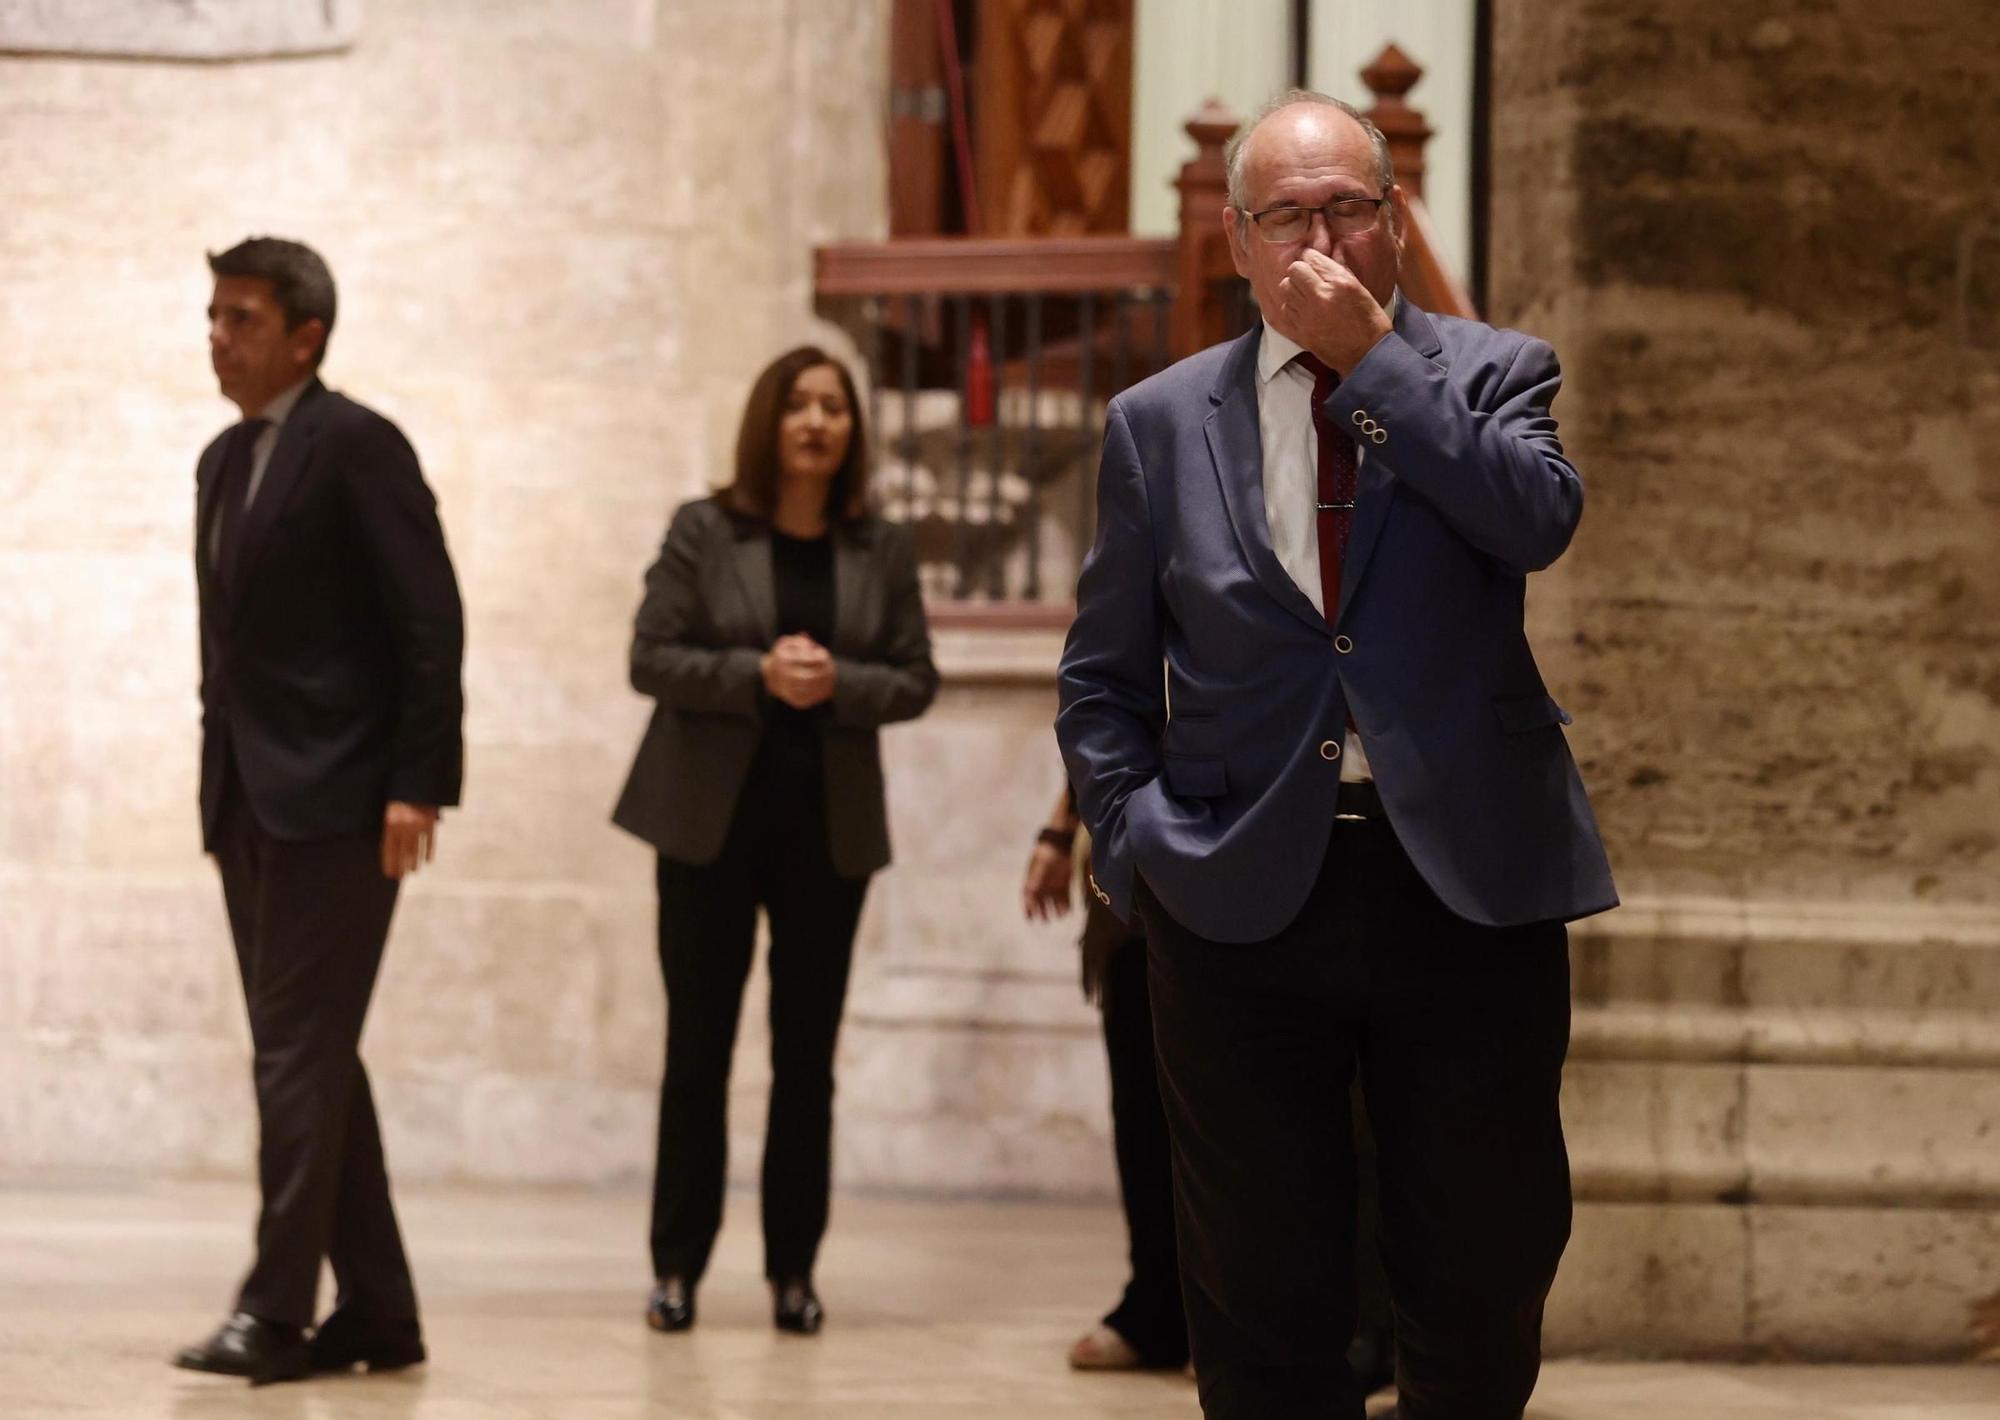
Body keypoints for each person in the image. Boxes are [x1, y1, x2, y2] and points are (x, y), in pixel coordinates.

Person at [1055, 91, 1617, 1420]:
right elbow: (1104, 677)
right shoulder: (1158, 420)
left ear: (1397, 223)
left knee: (1481, 1276)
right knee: (1260, 1298)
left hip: (1468, 883)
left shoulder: (1493, 372)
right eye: (1290, 215)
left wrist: (1377, 366)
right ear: (1241, 241)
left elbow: (1535, 521)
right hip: (1240, 894)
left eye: (1353, 208)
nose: (1327, 238)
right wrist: (1137, 843)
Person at [175, 238, 463, 1386]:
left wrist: (417, 780)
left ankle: (276, 1311)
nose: (217, 336)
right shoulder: (220, 459)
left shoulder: (358, 446)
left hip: (346, 799)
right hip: (247, 794)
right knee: (313, 1056)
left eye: (240, 318)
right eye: (211, 315)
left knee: (294, 1058)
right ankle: (381, 1313)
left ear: (306, 335)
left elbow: (428, 622)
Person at [612, 346, 938, 1338]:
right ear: (769, 421)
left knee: (807, 1062)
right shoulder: (703, 529)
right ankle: (676, 1268)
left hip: (824, 840)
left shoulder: (879, 545)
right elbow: (650, 657)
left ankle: (793, 1273)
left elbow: (915, 678)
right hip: (705, 834)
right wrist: (757, 671)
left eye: (832, 407)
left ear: (851, 430)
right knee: (696, 1054)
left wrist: (835, 679)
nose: (814, 421)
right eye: (796, 404)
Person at [1023, 785, 1189, 1375]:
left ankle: (1231, 1310)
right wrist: (1060, 828)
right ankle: (1157, 1306)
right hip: (1136, 842)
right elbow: (1099, 704)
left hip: (1242, 834)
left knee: (1231, 1114)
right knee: (1140, 1104)